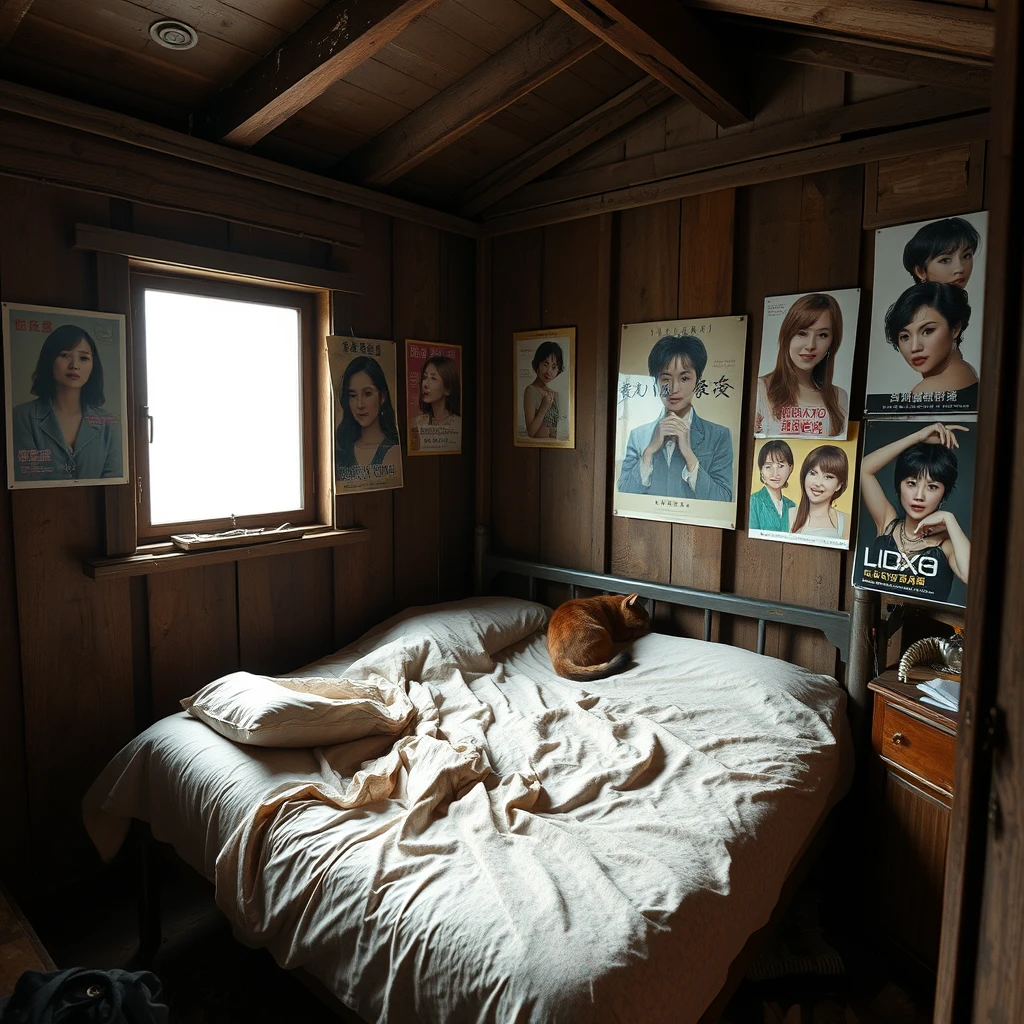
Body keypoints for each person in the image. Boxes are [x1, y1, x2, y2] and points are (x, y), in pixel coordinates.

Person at [860, 422, 971, 603]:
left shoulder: (947, 544)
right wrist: (917, 437)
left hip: (924, 629)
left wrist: (949, 520)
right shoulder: (887, 523)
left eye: (932, 487)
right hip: (876, 623)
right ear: (899, 486)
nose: (919, 496)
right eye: (911, 483)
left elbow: (971, 577)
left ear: (944, 494)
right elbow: (864, 468)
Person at [617, 334, 733, 501]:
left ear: (697, 381)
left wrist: (689, 455)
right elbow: (623, 495)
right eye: (665, 378)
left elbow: (724, 500)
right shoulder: (638, 435)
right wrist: (649, 452)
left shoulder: (718, 435)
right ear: (656, 382)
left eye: (684, 378)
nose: (673, 388)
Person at [11, 324, 122, 483]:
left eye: (83, 358)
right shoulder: (23, 416)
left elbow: (114, 482)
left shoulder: (108, 423)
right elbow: (28, 480)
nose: (74, 365)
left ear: (93, 366)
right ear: (50, 359)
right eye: (65, 355)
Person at [754, 293, 849, 438]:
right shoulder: (761, 389)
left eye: (822, 335)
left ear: (832, 342)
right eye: (802, 333)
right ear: (787, 336)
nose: (811, 345)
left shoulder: (838, 397)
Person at [883, 282, 978, 400]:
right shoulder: (968, 372)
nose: (915, 347)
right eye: (905, 336)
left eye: (928, 331)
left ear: (955, 329)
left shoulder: (926, 391)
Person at [334, 355, 400, 484]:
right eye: (353, 396)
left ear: (382, 396)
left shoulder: (393, 451)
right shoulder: (342, 450)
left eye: (367, 394)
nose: (360, 404)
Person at [788, 444, 850, 539]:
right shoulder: (787, 514)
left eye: (828, 477)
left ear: (838, 485)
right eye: (813, 473)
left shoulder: (846, 522)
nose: (818, 483)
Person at [902, 216, 980, 289]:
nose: (960, 269)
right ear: (921, 271)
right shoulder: (922, 303)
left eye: (966, 256)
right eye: (945, 260)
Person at [749, 440, 795, 532]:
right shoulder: (753, 502)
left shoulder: (791, 505)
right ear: (761, 470)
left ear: (790, 468)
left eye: (781, 466)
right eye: (768, 467)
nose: (775, 473)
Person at [523, 341, 563, 439]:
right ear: (537, 364)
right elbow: (531, 432)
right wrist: (543, 408)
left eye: (554, 367)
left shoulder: (555, 394)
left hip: (555, 448)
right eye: (545, 364)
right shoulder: (530, 391)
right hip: (537, 447)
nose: (549, 371)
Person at [414, 355, 461, 434]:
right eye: (425, 377)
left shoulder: (458, 424)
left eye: (433, 378)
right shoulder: (418, 423)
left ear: (447, 389)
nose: (425, 384)